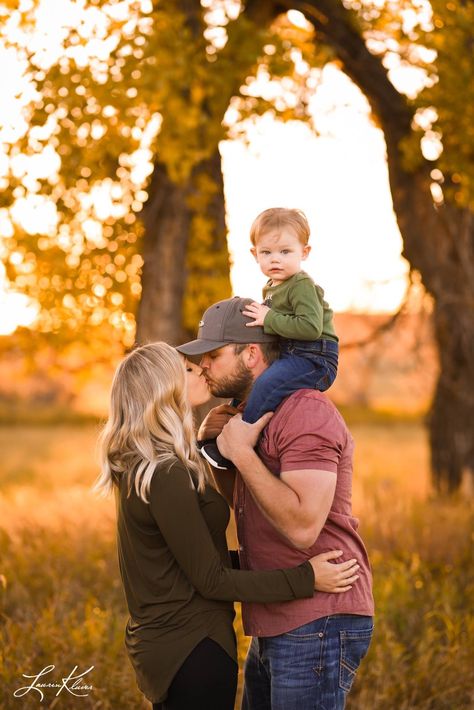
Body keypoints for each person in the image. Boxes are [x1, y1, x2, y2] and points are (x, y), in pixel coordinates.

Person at [94, 342, 361, 710]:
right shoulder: (165, 472)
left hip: (177, 643)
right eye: (187, 370)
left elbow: (190, 562)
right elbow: (212, 579)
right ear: (163, 388)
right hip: (191, 648)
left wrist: (218, 449)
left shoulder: (149, 463)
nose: (201, 369)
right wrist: (304, 578)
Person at [177, 298, 374, 709]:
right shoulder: (248, 414)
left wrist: (243, 454)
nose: (206, 366)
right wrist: (220, 453)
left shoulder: (304, 411)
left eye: (214, 355)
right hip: (278, 614)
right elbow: (253, 507)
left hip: (319, 616)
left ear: (251, 354)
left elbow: (303, 526)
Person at [199, 207, 339, 470]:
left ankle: (241, 443)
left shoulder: (301, 285)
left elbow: (310, 327)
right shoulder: (273, 285)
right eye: (266, 252)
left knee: (267, 383)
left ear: (304, 252)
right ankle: (227, 428)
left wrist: (268, 318)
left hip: (315, 356)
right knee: (246, 391)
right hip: (294, 351)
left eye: (285, 252)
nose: (276, 259)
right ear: (255, 254)